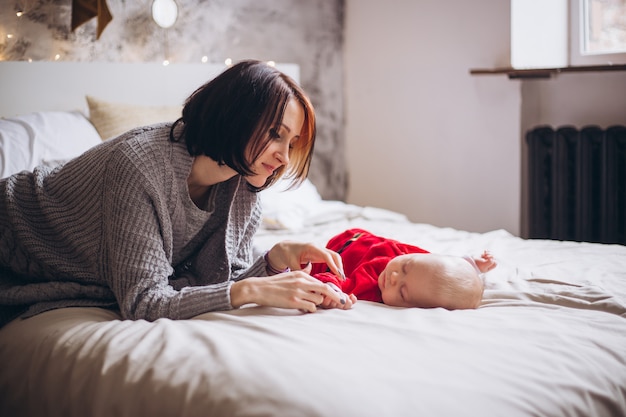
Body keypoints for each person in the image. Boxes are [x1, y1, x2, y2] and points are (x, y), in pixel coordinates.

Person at [0, 59, 349, 327]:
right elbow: (146, 301)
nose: (285, 157)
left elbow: (223, 278)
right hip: (12, 235)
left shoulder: (245, 186)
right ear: (235, 116)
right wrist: (251, 292)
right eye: (275, 133)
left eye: (292, 143)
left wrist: (275, 259)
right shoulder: (139, 166)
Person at [311, 228, 497, 310]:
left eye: (401, 291)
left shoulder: (371, 286)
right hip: (361, 235)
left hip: (334, 251)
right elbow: (443, 265)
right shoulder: (420, 265)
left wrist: (333, 292)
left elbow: (334, 282)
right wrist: (471, 264)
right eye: (406, 267)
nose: (393, 277)